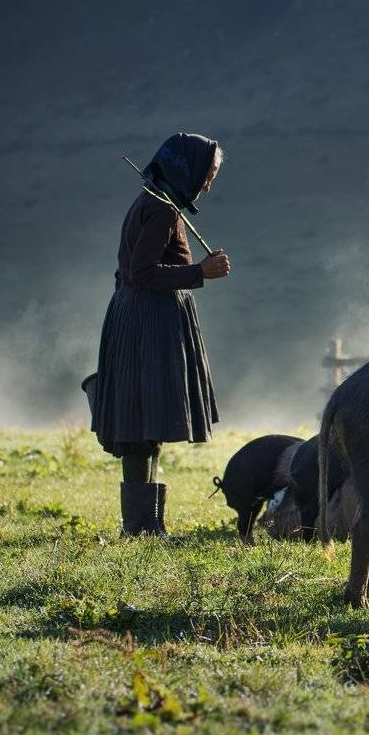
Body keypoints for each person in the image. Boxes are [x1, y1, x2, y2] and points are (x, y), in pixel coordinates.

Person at [90, 133, 231, 535]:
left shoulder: (158, 203)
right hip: (147, 324)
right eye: (208, 173)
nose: (208, 183)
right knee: (140, 422)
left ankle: (148, 524)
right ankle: (140, 525)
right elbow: (141, 272)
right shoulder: (161, 210)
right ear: (187, 169)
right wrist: (199, 272)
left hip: (143, 319)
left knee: (145, 421)